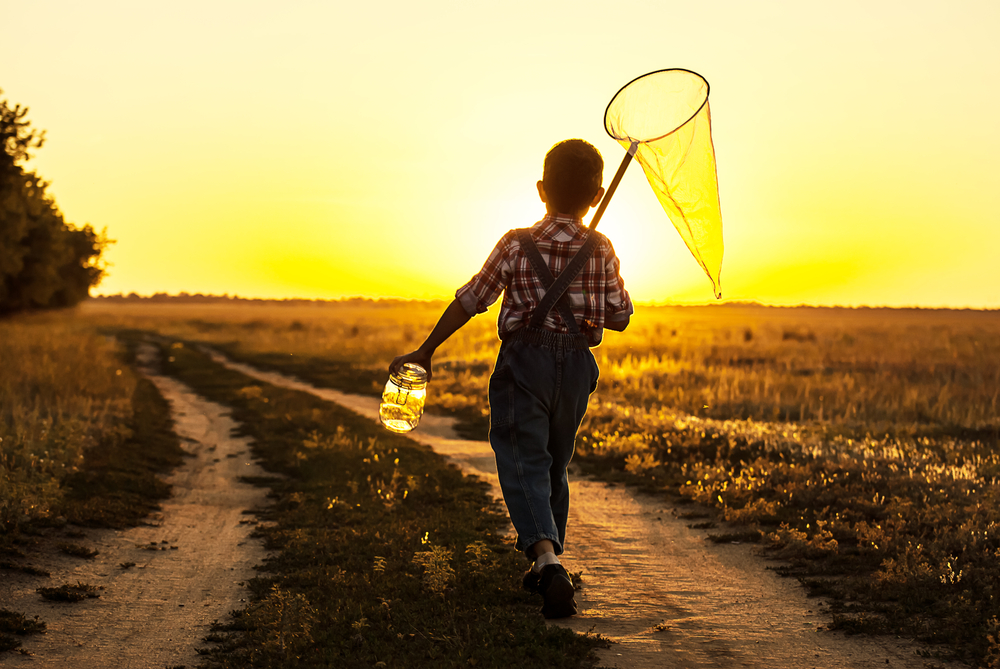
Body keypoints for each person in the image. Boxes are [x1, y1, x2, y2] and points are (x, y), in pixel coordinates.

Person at [389, 138, 633, 618]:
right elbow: (622, 316)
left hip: (524, 362)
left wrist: (426, 349)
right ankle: (550, 559)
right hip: (577, 368)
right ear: (597, 195)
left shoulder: (515, 242)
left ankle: (546, 563)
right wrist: (586, 310)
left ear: (541, 189)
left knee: (522, 457)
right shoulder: (601, 247)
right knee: (553, 464)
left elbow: (472, 298)